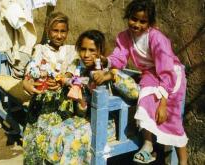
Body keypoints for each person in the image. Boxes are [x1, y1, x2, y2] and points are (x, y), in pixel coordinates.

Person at [22, 29, 139, 164]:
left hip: (109, 124)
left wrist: (111, 76)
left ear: (100, 52)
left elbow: (135, 92)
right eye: (83, 49)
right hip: (87, 120)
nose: (86, 55)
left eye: (92, 50)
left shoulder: (108, 71)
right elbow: (82, 111)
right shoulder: (81, 74)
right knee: (54, 132)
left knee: (73, 140)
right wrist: (81, 104)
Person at [96, 0, 188, 164]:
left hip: (170, 74)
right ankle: (148, 145)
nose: (136, 24)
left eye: (142, 21)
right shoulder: (124, 37)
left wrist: (163, 102)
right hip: (150, 73)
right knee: (144, 97)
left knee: (171, 117)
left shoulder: (157, 39)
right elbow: (119, 57)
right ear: (128, 17)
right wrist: (107, 62)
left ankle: (183, 160)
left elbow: (166, 68)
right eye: (133, 19)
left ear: (150, 23)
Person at [22, 11, 79, 164]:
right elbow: (29, 72)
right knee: (37, 144)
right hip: (41, 106)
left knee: (57, 145)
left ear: (67, 32)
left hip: (62, 106)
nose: (59, 35)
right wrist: (26, 83)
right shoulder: (40, 49)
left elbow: (71, 71)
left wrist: (63, 80)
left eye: (63, 31)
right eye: (55, 30)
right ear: (48, 30)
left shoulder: (71, 51)